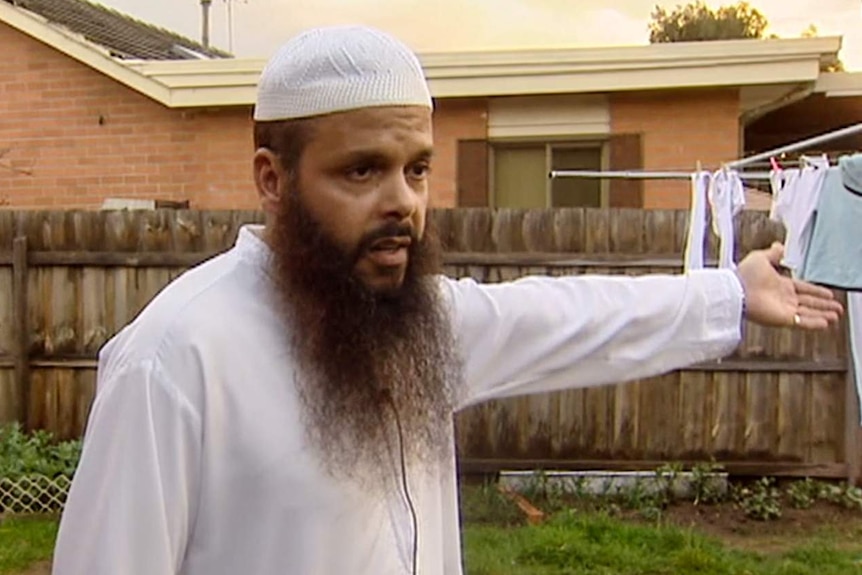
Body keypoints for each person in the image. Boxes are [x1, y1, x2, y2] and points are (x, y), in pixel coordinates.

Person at [51, 25, 843, 575]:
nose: (403, 203)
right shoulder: (176, 358)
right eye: (362, 171)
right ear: (271, 177)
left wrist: (730, 294)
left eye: (418, 169)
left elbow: (572, 319)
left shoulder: (418, 324)